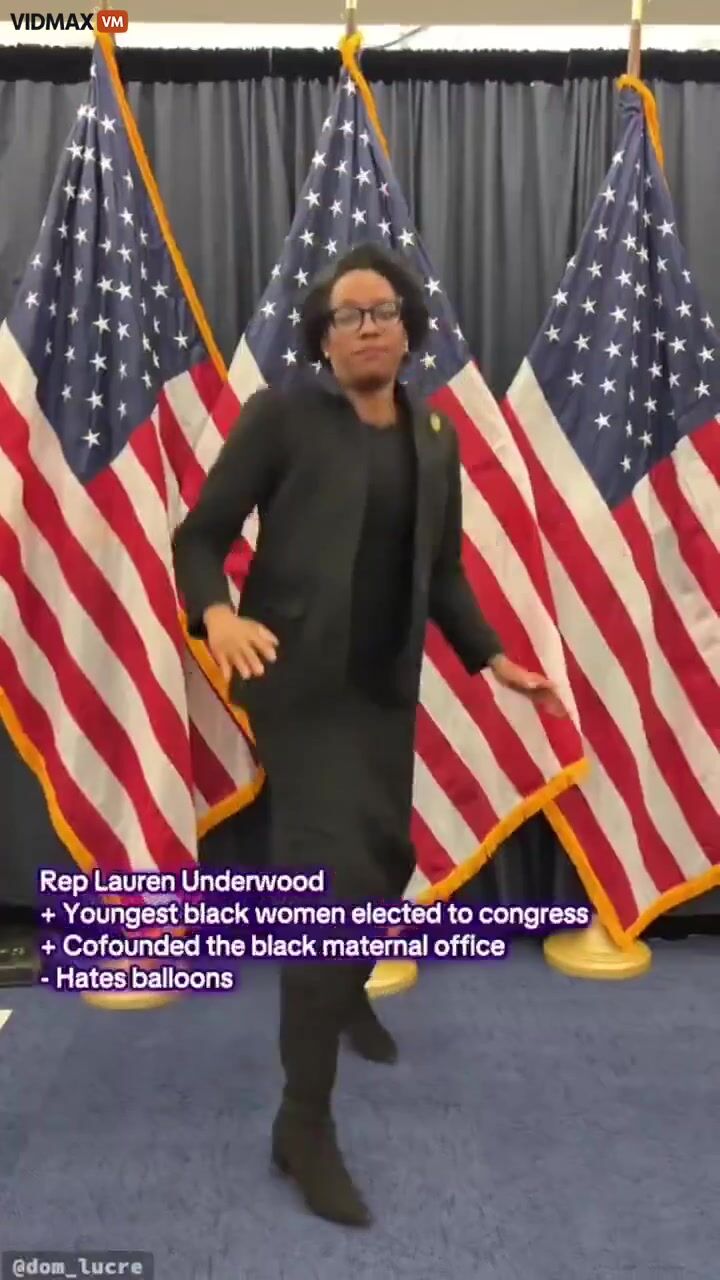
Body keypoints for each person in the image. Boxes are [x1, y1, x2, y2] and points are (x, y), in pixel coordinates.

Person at [172, 243, 565, 1228]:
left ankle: (342, 989)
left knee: (386, 862)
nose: (368, 327)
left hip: (385, 688)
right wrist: (215, 617)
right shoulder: (280, 417)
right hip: (298, 688)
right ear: (322, 336)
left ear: (408, 325)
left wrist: (492, 657)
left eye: (382, 310)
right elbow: (199, 535)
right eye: (346, 315)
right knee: (330, 885)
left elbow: (445, 571)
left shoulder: (434, 434)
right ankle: (302, 1125)